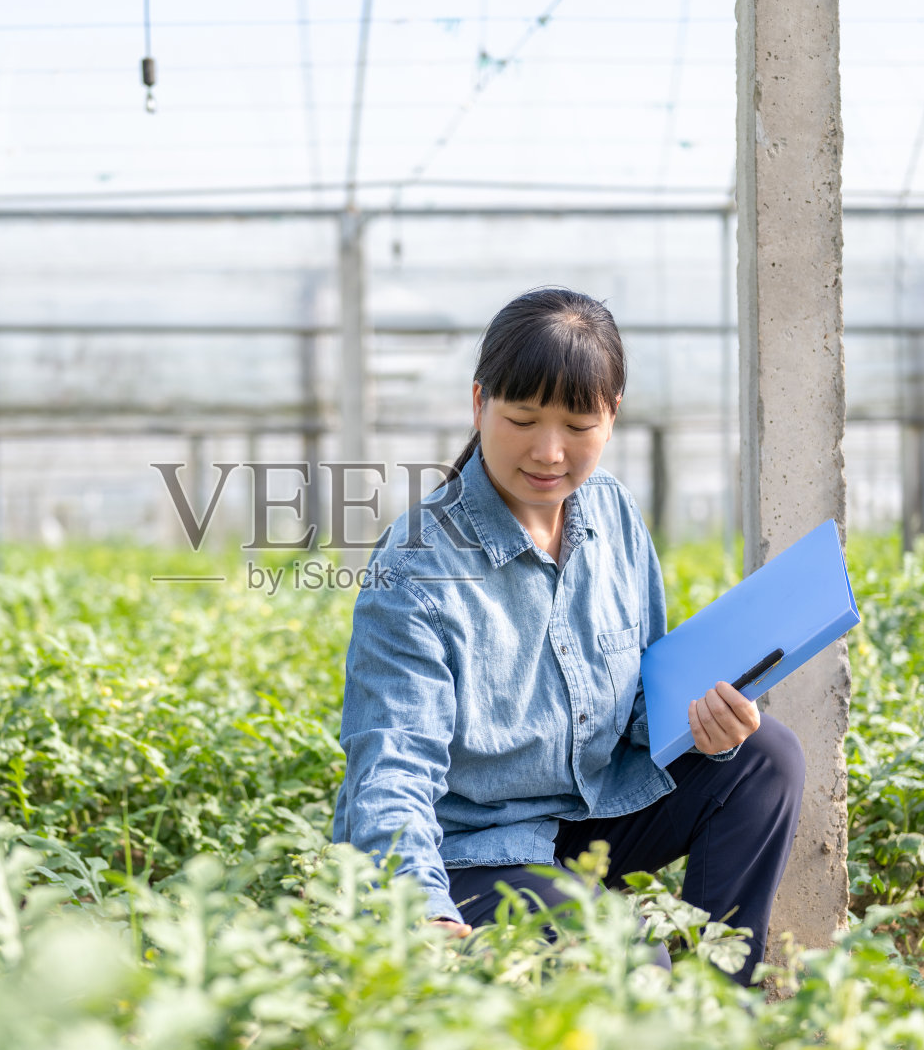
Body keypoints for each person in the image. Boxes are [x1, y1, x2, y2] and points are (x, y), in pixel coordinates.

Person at [329, 287, 804, 987]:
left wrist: (702, 721)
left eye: (578, 425)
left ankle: (717, 1008)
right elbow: (391, 767)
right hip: (472, 849)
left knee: (764, 756)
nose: (549, 451)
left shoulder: (611, 513)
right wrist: (421, 908)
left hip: (586, 812)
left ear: (611, 416)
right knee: (624, 951)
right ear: (479, 405)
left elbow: (640, 694)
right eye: (522, 418)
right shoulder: (420, 564)